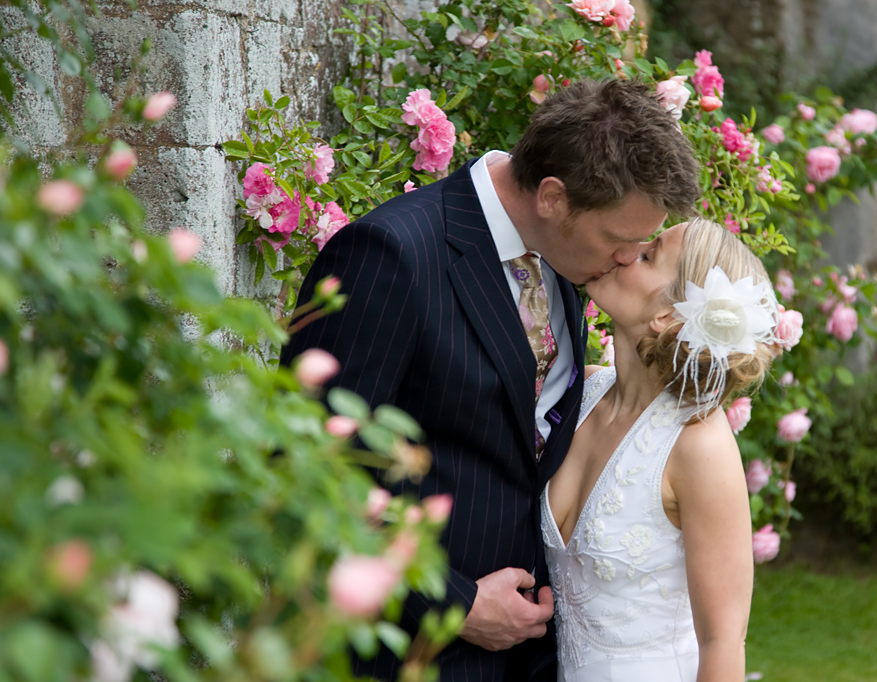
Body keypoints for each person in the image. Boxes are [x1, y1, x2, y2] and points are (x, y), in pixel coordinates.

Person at [280, 78, 700, 682]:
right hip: (408, 652)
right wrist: (454, 603)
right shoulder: (392, 255)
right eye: (619, 239)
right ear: (553, 197)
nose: (629, 259)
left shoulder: (562, 259)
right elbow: (304, 466)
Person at [542, 217, 778, 682]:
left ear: (667, 317)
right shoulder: (578, 393)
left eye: (649, 254)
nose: (628, 247)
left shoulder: (699, 443)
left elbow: (723, 641)